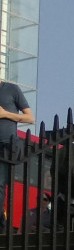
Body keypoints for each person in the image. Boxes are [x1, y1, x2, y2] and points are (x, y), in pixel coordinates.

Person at [0, 79, 33, 229]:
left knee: (0, 185)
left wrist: (5, 114)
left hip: (6, 144)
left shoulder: (12, 89)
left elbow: (30, 118)